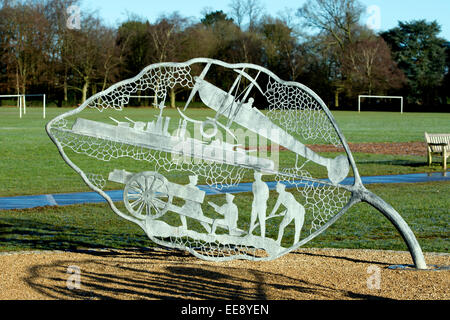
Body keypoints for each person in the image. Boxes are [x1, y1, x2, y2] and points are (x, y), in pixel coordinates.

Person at [249, 171, 269, 237]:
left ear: (260, 176)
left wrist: (262, 202)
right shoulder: (253, 184)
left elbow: (267, 195)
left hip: (262, 205)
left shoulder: (264, 185)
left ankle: (262, 236)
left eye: (256, 176)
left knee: (262, 220)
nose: (255, 177)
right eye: (255, 176)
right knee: (252, 219)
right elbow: (254, 193)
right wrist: (254, 203)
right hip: (255, 204)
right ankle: (250, 233)